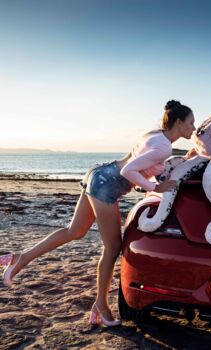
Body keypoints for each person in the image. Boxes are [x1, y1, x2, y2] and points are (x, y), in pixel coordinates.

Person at [0, 100, 196, 326]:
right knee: (112, 248)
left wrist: (184, 160)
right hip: (107, 185)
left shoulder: (155, 135)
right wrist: (155, 188)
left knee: (74, 231)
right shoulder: (164, 147)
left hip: (99, 173)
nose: (193, 127)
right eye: (190, 122)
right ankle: (101, 306)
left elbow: (139, 163)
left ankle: (20, 259)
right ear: (179, 122)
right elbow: (129, 170)